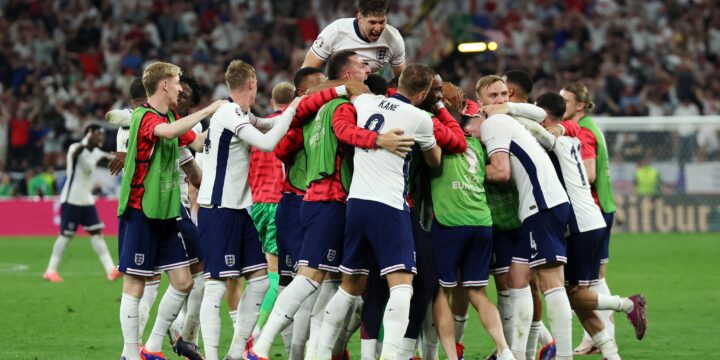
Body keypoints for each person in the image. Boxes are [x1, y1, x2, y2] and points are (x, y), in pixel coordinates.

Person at [246, 50, 409, 360]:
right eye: (362, 65)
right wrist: (379, 140)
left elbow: (283, 147)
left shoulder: (312, 111)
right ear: (347, 76)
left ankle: (311, 352)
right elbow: (346, 132)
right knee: (311, 280)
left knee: (334, 283)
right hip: (331, 198)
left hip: (314, 197)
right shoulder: (342, 108)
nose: (367, 68)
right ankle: (262, 346)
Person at [315, 63, 442, 360]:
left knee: (350, 286)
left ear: (398, 82)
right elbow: (434, 160)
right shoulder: (420, 117)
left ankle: (318, 353)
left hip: (356, 203)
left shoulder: (366, 100)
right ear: (422, 93)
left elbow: (347, 88)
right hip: (389, 206)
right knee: (402, 286)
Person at [517, 92, 647, 359]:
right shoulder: (570, 137)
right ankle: (611, 353)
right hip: (588, 220)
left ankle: (627, 305)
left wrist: (507, 113)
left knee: (573, 296)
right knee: (571, 294)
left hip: (580, 224)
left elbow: (539, 134)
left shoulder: (556, 139)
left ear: (542, 116)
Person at [116, 62, 225, 360]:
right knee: (136, 284)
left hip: (165, 211)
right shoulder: (144, 117)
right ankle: (130, 354)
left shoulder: (173, 117)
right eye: (177, 82)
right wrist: (208, 110)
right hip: (140, 211)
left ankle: (151, 348)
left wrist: (225, 124)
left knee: (183, 282)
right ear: (164, 84)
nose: (181, 88)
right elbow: (166, 133)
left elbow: (199, 142)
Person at [478, 74, 573, 360]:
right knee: (517, 278)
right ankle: (518, 354)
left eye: (503, 94)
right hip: (540, 204)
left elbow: (501, 172)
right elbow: (540, 114)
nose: (500, 100)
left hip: (541, 204)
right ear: (479, 100)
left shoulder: (495, 123)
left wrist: (470, 172)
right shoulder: (509, 120)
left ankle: (565, 355)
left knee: (551, 282)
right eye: (492, 96)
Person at [559, 83, 619, 354]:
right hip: (601, 206)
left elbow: (590, 173)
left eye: (566, 100)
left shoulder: (583, 131)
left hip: (592, 209)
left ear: (580, 105)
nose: (562, 105)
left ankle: (601, 336)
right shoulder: (591, 125)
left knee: (587, 280)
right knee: (593, 277)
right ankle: (599, 337)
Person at [247, 81, 296, 342]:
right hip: (279, 203)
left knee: (262, 274)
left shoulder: (257, 128)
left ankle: (251, 326)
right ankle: (257, 332)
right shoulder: (288, 127)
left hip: (256, 205)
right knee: (278, 275)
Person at [42, 124, 120, 283]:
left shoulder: (96, 151)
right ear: (89, 134)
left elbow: (109, 156)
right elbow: (82, 158)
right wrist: (87, 143)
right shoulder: (76, 148)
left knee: (97, 234)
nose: (102, 138)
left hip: (87, 201)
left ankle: (111, 270)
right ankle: (50, 271)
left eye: (102, 135)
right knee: (66, 236)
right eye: (98, 135)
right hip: (71, 200)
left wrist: (125, 157)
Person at [302, 0, 406, 76]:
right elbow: (306, 71)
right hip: (335, 87)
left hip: (371, 90)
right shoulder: (336, 31)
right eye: (372, 22)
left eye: (382, 22)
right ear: (360, 18)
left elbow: (401, 80)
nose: (378, 28)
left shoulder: (394, 38)